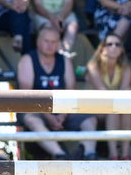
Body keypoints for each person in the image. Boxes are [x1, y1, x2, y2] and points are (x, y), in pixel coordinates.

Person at [17, 24, 97, 160]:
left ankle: (89, 153)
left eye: (53, 42)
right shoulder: (27, 60)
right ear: (38, 42)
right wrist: (48, 116)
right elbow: (27, 95)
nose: (50, 45)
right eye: (46, 41)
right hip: (35, 108)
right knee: (32, 119)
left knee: (89, 119)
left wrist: (62, 115)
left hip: (62, 107)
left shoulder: (64, 61)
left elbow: (71, 91)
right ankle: (60, 155)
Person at [85, 33, 131, 160]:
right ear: (102, 48)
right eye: (109, 44)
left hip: (115, 106)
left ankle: (125, 156)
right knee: (114, 110)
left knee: (124, 111)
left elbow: (125, 89)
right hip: (94, 108)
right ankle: (113, 155)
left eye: (117, 44)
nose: (114, 47)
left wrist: (124, 93)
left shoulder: (126, 66)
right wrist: (123, 93)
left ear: (121, 49)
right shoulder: (93, 66)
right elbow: (102, 91)